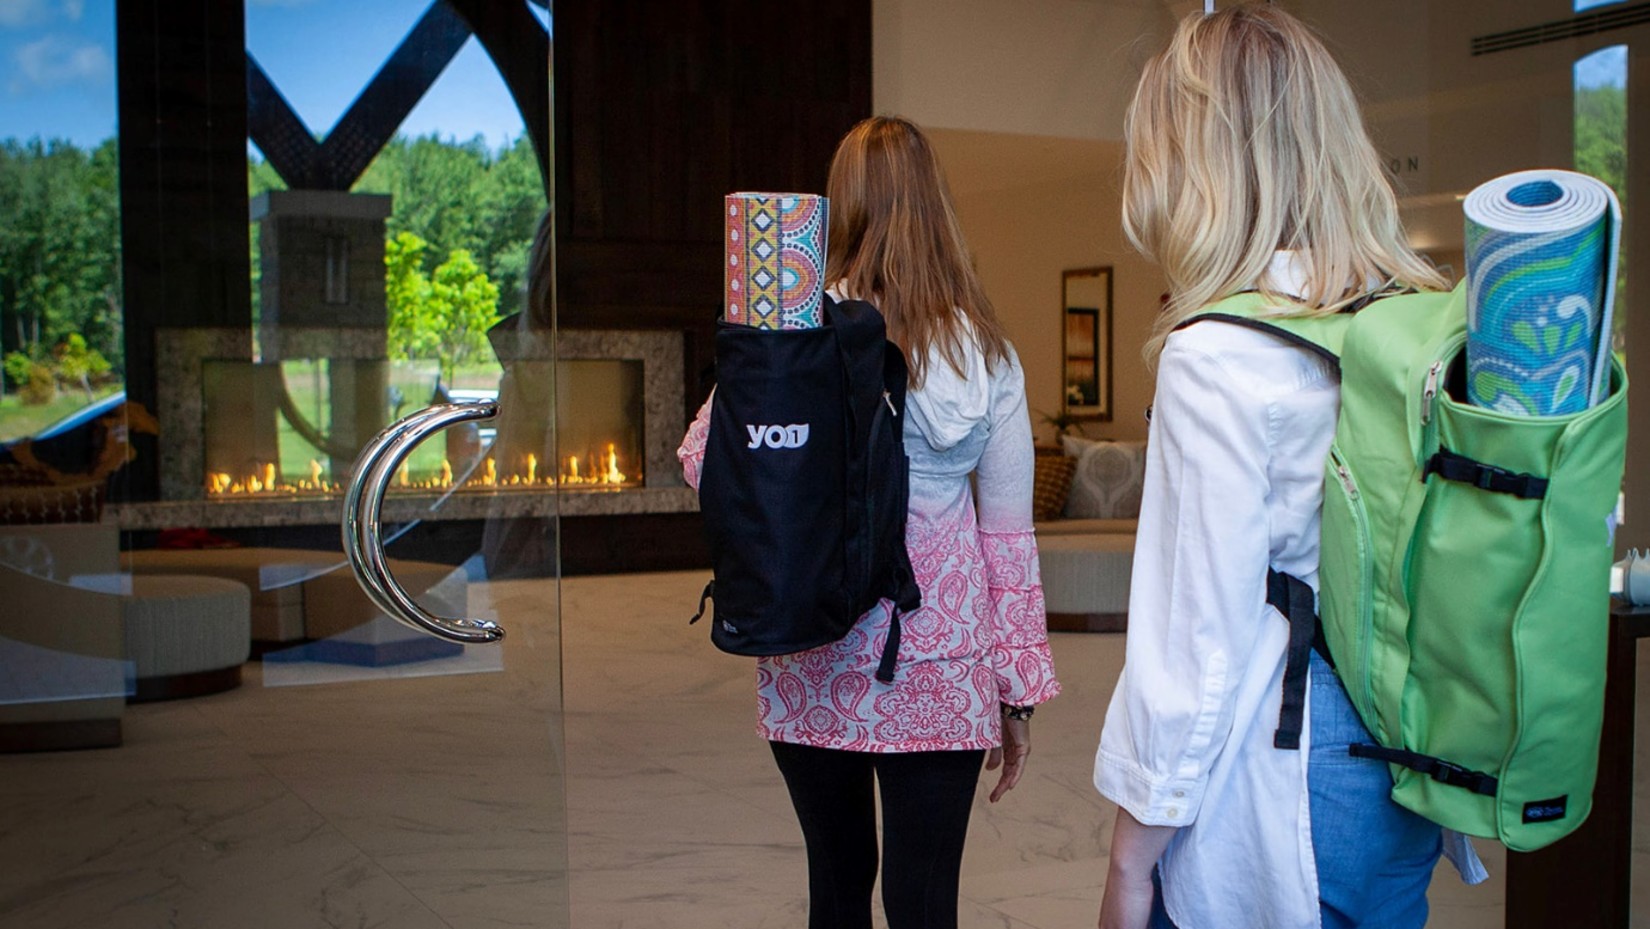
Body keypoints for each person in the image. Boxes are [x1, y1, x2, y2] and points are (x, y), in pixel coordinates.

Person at [1092, 6, 1480, 929]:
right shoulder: (1412, 323)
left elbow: (1200, 645)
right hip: (1400, 753)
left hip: (1284, 766)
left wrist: (1127, 858)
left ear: (1199, 169)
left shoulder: (1217, 354)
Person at [678, 115, 1061, 929]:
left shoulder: (792, 337)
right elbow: (1007, 536)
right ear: (936, 206)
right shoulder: (986, 351)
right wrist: (1017, 692)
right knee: (925, 902)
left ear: (836, 208)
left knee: (838, 886)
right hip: (940, 655)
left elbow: (701, 462)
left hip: (810, 640)